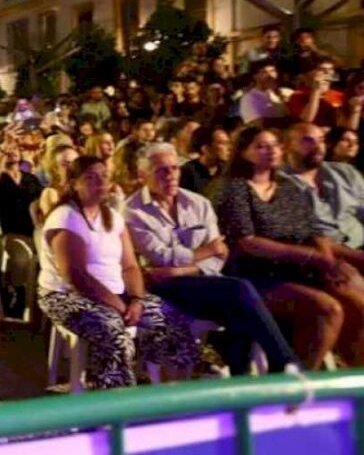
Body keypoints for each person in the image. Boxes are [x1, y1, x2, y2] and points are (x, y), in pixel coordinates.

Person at [125, 143, 297, 376]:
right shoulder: (133, 212)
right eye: (162, 170)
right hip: (162, 288)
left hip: (199, 280)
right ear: (143, 175)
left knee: (240, 305)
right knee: (240, 292)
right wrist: (204, 252)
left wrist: (181, 270)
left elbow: (219, 257)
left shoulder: (198, 203)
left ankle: (246, 379)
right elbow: (160, 257)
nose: (171, 175)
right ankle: (283, 363)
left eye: (175, 168)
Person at [37, 156, 199, 388]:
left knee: (172, 318)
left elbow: (130, 266)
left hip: (117, 294)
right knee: (113, 330)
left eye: (104, 176)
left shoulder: (112, 217)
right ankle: (116, 403)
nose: (100, 182)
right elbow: (76, 276)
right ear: (74, 183)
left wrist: (137, 300)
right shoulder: (66, 217)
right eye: (90, 177)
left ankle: (171, 393)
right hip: (67, 296)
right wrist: (120, 306)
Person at [215, 126, 364, 368]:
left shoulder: (287, 187)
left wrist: (328, 263)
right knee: (328, 309)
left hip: (297, 270)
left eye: (274, 145)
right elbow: (247, 243)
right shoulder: (234, 189)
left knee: (356, 301)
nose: (270, 151)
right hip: (255, 275)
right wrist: (313, 259)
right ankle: (298, 386)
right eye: (261, 146)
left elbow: (314, 232)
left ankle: (356, 378)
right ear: (244, 153)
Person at [282, 123, 364, 254]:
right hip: (323, 256)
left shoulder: (345, 172)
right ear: (286, 146)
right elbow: (299, 237)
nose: (318, 147)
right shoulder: (279, 183)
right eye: (308, 140)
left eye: (321, 140)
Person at [0, 137, 43, 238]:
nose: (12, 151)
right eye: (9, 149)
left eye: (15, 148)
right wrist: (3, 149)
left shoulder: (31, 178)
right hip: (13, 235)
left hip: (36, 231)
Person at [287, 57, 344, 128]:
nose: (327, 73)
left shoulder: (339, 95)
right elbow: (306, 120)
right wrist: (316, 91)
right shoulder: (298, 96)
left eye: (330, 69)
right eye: (321, 69)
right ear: (308, 74)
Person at [179, 126, 231, 196]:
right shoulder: (186, 173)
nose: (229, 148)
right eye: (222, 143)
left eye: (228, 143)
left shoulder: (227, 171)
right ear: (205, 148)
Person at [238, 60, 289, 125]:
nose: (270, 75)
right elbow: (255, 123)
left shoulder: (286, 92)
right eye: (264, 72)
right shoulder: (249, 98)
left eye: (273, 71)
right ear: (255, 76)